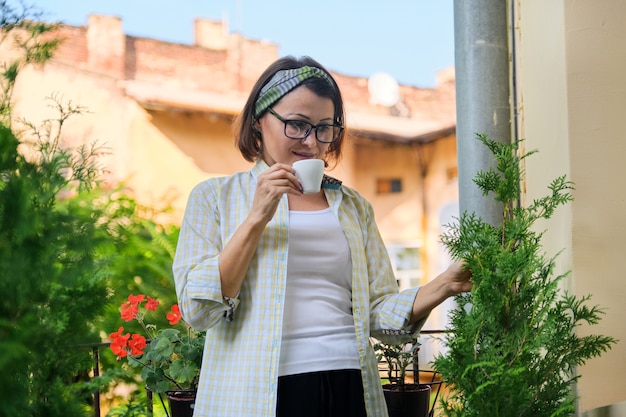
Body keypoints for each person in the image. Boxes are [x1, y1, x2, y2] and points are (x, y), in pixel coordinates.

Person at [172, 55, 472, 417]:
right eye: (297, 125)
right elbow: (197, 310)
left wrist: (444, 285)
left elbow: (378, 312)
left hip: (348, 381)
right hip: (257, 393)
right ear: (258, 121)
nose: (312, 142)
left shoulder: (353, 207)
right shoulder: (214, 198)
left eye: (324, 128)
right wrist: (257, 217)